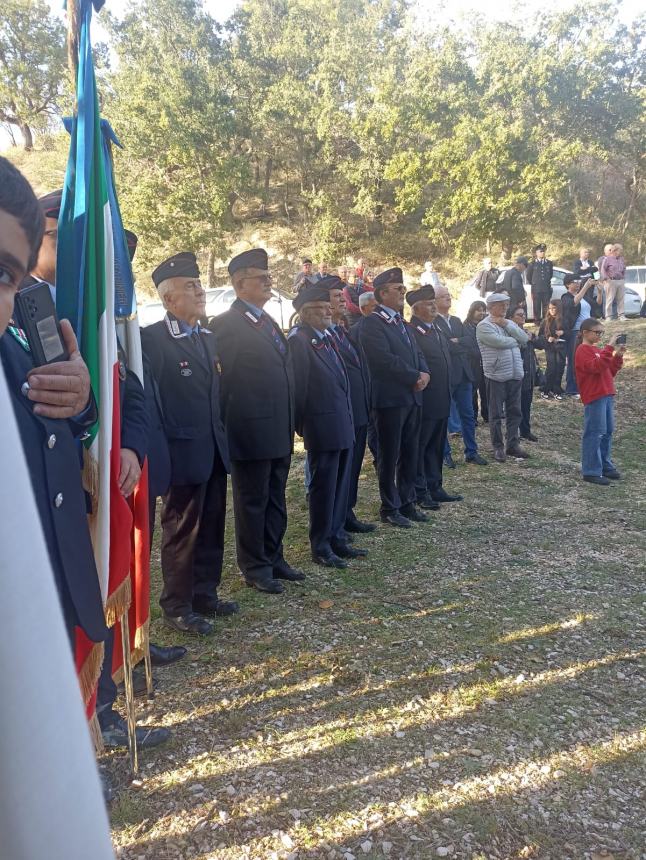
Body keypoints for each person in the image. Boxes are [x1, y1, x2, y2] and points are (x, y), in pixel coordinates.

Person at [141, 252, 233, 636]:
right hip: (181, 453)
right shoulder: (154, 340)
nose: (199, 291)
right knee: (182, 532)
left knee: (212, 524)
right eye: (190, 286)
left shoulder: (207, 338)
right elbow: (151, 401)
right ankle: (177, 605)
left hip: (212, 448)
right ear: (168, 298)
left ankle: (204, 593)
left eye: (199, 284)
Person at [209, 248, 303, 594]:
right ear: (239, 283)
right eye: (260, 278)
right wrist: (226, 430)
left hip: (278, 427)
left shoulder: (267, 322)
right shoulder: (226, 325)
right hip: (249, 429)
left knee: (276, 496)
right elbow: (223, 384)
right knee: (252, 501)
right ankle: (254, 566)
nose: (268, 282)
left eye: (268, 277)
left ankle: (274, 556)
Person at [289, 284, 364, 567]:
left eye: (327, 308)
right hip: (321, 425)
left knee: (340, 485)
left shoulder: (327, 336)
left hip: (340, 421)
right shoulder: (300, 340)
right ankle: (320, 544)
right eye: (320, 310)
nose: (327, 313)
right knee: (324, 488)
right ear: (306, 313)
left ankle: (336, 537)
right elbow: (299, 389)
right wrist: (304, 426)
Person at [359, 267, 430, 528]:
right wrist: (414, 375)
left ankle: (407, 500)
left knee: (411, 452)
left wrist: (424, 372)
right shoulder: (371, 324)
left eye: (403, 289)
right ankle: (390, 506)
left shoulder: (400, 322)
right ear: (381, 293)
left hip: (411, 397)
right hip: (390, 399)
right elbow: (383, 360)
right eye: (397, 289)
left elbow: (416, 351)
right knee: (390, 455)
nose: (402, 293)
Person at [324, 275, 375, 534]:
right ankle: (335, 520)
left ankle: (347, 511)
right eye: (336, 297)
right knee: (338, 472)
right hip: (341, 413)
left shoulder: (343, 331)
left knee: (352, 468)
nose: (343, 301)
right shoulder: (322, 336)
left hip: (358, 410)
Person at [406, 286, 463, 508]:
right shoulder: (413, 331)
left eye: (433, 302)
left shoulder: (435, 329)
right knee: (421, 446)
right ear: (416, 308)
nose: (433, 307)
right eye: (429, 304)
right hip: (426, 400)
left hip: (442, 397)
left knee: (437, 445)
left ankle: (435, 485)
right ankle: (420, 491)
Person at [434, 285, 488, 466]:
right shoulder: (433, 322)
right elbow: (443, 347)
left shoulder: (457, 321)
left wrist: (456, 342)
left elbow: (471, 341)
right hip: (446, 375)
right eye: (443, 296)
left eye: (448, 295)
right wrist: (458, 344)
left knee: (468, 414)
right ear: (434, 301)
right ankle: (445, 453)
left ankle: (471, 452)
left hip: (464, 374)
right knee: (442, 415)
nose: (448, 298)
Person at [476, 293, 530, 462]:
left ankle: (513, 444)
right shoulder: (484, 326)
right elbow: (499, 342)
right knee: (496, 413)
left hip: (515, 373)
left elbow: (524, 339)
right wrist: (518, 339)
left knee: (515, 411)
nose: (505, 308)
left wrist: (508, 325)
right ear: (491, 307)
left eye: (506, 305)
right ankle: (498, 447)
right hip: (496, 374)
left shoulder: (509, 323)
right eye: (501, 305)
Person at [574, 318, 624, 485]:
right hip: (595, 396)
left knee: (607, 431)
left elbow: (609, 371)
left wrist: (618, 356)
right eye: (597, 332)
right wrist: (609, 347)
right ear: (585, 332)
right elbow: (595, 367)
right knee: (595, 433)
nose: (600, 336)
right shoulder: (582, 350)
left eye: (601, 333)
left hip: (606, 394)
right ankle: (591, 470)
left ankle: (604, 465)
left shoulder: (596, 350)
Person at [350, 291, 379, 470]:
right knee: (372, 427)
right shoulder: (355, 331)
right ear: (363, 309)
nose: (378, 310)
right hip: (368, 386)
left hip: (383, 386)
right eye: (374, 307)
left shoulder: (385, 326)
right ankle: (378, 459)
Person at [560, 274, 597, 396]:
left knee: (586, 359)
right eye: (574, 281)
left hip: (587, 332)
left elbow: (597, 304)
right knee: (573, 359)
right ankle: (571, 388)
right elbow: (573, 304)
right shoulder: (566, 297)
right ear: (567, 284)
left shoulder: (583, 296)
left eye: (578, 280)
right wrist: (586, 286)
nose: (577, 283)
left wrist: (600, 291)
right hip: (575, 332)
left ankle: (583, 385)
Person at [510, 306, 539, 442]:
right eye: (519, 314)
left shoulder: (527, 332)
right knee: (515, 406)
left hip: (529, 374)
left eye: (523, 314)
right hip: (516, 374)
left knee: (527, 404)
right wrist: (526, 339)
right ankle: (514, 434)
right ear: (511, 317)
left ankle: (525, 431)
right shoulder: (509, 333)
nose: (523, 317)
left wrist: (531, 338)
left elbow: (542, 343)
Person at [535, 299, 567, 399]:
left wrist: (563, 333)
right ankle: (546, 389)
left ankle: (556, 389)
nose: (552, 310)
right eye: (550, 308)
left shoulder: (564, 320)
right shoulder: (545, 321)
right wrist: (548, 338)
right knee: (551, 368)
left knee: (559, 369)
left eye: (554, 308)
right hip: (550, 348)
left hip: (561, 347)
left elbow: (569, 334)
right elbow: (540, 335)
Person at [463, 300, 488, 423]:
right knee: (473, 392)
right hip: (472, 363)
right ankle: (473, 417)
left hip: (486, 363)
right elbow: (469, 345)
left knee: (486, 390)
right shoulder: (466, 326)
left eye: (483, 310)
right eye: (479, 310)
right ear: (472, 311)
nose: (482, 313)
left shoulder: (486, 325)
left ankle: (487, 415)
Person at [526, 244, 553, 322]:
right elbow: (529, 277)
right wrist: (535, 284)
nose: (542, 253)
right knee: (536, 306)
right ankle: (537, 321)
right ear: (536, 253)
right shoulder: (532, 264)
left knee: (546, 306)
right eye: (540, 251)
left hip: (546, 288)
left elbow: (550, 275)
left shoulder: (549, 263)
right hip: (536, 289)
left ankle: (545, 321)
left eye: (543, 251)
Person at [600, 243, 627, 321]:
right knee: (609, 299)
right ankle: (608, 316)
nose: (621, 252)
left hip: (620, 281)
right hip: (611, 281)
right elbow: (603, 269)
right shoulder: (607, 259)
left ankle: (621, 315)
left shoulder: (621, 259)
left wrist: (623, 277)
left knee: (621, 299)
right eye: (620, 250)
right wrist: (606, 279)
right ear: (615, 250)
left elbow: (624, 268)